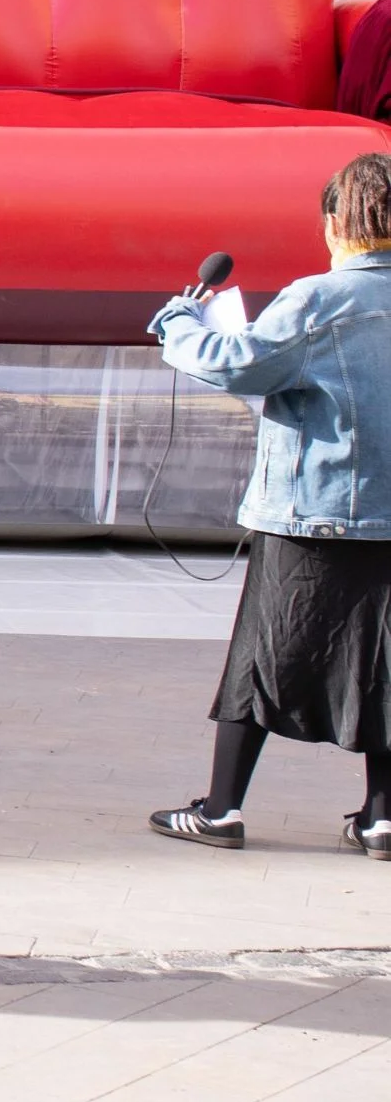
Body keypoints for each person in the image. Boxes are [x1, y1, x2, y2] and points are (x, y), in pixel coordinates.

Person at [145, 151, 391, 855]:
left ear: (336, 222)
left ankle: (222, 808)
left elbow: (238, 362)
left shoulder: (318, 299)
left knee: (263, 655)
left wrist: (179, 321)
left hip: (315, 510)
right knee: (388, 664)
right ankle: (382, 817)